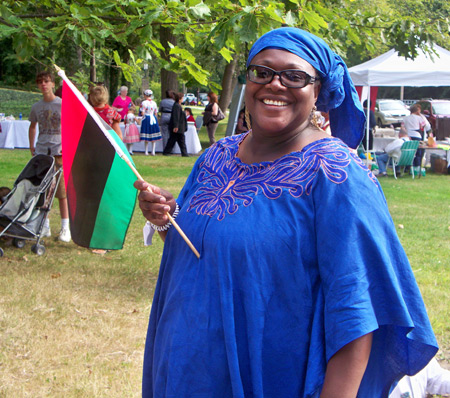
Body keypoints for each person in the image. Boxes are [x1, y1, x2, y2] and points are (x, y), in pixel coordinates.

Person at [135, 27, 438, 398]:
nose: (274, 85)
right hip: (185, 366)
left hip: (271, 376)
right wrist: (166, 217)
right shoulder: (218, 155)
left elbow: (358, 313)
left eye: (294, 76)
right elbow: (199, 251)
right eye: (261, 72)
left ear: (318, 92)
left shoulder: (336, 174)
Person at [29, 71, 71, 242]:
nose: (43, 85)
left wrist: (67, 148)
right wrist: (32, 146)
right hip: (42, 152)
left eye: (46, 81)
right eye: (40, 82)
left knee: (61, 192)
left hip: (59, 152)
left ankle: (65, 227)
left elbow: (69, 127)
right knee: (42, 190)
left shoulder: (61, 105)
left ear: (53, 84)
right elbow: (33, 126)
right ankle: (44, 225)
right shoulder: (36, 107)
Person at [402, 103, 431, 168]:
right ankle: (417, 166)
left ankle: (407, 166)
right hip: (417, 135)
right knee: (418, 151)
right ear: (417, 111)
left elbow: (402, 127)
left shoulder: (405, 118)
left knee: (409, 152)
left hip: (408, 136)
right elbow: (423, 126)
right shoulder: (419, 118)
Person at [163, 92, 189, 157]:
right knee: (179, 140)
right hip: (178, 127)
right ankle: (184, 153)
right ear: (179, 99)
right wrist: (176, 126)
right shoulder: (176, 106)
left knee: (174, 140)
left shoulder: (178, 105)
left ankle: (167, 152)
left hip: (179, 126)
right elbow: (176, 116)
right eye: (182, 98)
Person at [140, 89, 161, 156]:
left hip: (147, 118)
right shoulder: (154, 103)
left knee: (146, 134)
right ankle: (153, 151)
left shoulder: (144, 103)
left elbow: (142, 112)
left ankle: (146, 151)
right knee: (153, 134)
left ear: (145, 95)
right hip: (153, 118)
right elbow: (156, 113)